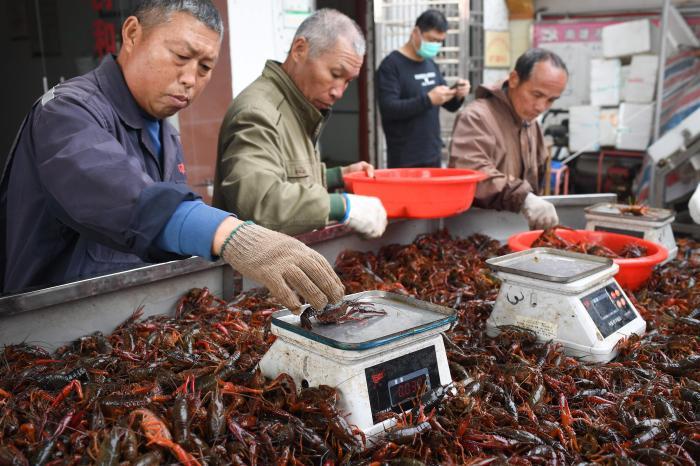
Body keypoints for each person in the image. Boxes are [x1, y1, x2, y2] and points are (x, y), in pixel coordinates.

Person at [0, 0, 343, 313]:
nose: (190, 79)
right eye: (180, 57)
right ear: (133, 34)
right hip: (50, 324)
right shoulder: (66, 111)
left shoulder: (166, 133)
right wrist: (232, 236)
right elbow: (119, 193)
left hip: (133, 319)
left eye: (206, 67)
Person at [213, 9, 387, 238]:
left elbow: (287, 174)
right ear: (299, 50)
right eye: (335, 73)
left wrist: (337, 176)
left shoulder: (296, 106)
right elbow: (261, 202)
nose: (339, 91)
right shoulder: (257, 113)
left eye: (348, 81)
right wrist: (341, 206)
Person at [449, 48, 568, 230]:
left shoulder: (530, 123)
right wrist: (523, 197)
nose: (541, 107)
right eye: (536, 95)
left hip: (514, 229)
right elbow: (471, 172)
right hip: (476, 232)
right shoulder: (477, 117)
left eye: (551, 100)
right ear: (514, 80)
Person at [376, 9, 470, 169]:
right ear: (415, 32)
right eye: (431, 39)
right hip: (405, 158)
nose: (435, 46)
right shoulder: (391, 66)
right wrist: (427, 100)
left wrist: (458, 95)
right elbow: (389, 108)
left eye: (440, 41)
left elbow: (449, 105)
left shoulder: (430, 63)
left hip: (432, 155)